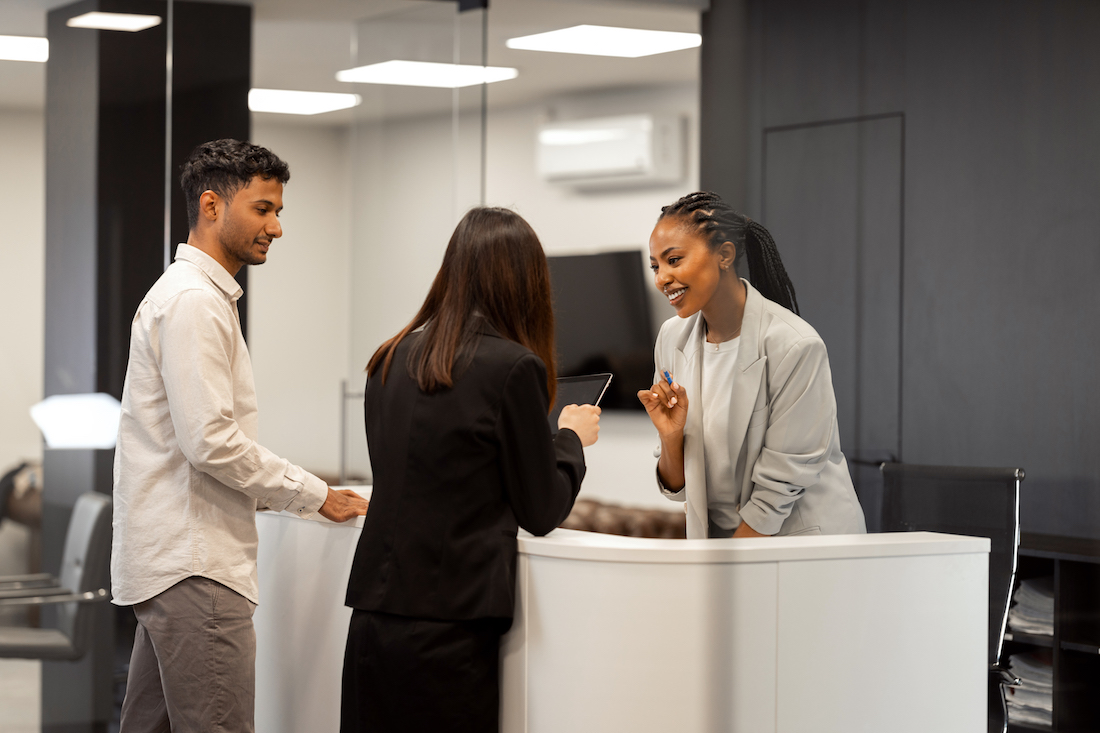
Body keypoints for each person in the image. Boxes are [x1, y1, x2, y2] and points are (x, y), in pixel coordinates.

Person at [112, 139, 369, 732]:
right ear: (211, 205)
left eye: (279, 211)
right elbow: (211, 442)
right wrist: (314, 494)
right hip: (195, 569)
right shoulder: (194, 302)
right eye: (263, 209)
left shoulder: (191, 296)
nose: (276, 227)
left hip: (172, 566)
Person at [341, 207, 600, 733]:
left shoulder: (388, 359)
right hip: (451, 627)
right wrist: (570, 439)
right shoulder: (513, 367)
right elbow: (541, 508)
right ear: (526, 282)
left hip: (374, 615)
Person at [638, 191, 866, 539]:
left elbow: (780, 487)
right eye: (656, 266)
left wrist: (728, 572)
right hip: (730, 546)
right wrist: (670, 438)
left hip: (803, 543)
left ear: (724, 255)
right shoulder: (672, 338)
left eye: (674, 260)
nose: (661, 278)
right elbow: (680, 488)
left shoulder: (794, 345)